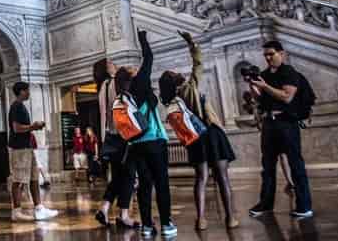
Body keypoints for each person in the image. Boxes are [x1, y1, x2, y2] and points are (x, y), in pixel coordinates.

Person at [158, 31, 239, 230]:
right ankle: (230, 218)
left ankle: (201, 219)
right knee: (222, 178)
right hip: (211, 133)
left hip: (194, 139)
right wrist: (191, 44)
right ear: (176, 79)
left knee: (201, 179)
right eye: (174, 72)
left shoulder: (169, 100)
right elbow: (199, 63)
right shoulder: (190, 86)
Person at [115, 30, 177, 238]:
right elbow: (149, 57)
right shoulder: (140, 83)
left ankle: (148, 226)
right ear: (131, 76)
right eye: (131, 69)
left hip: (136, 144)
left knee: (144, 184)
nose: (135, 68)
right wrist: (141, 38)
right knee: (161, 183)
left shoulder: (122, 95)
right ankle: (167, 224)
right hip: (154, 141)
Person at [248, 41, 313, 218]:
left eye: (271, 54)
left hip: (286, 122)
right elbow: (261, 99)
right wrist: (252, 86)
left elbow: (287, 97)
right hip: (269, 123)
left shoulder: (289, 72)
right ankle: (266, 204)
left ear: (281, 54)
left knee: (295, 164)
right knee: (267, 167)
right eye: (266, 55)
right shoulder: (264, 75)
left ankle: (304, 206)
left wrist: (265, 87)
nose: (268, 58)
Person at [94, 58, 138, 228]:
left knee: (118, 176)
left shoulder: (101, 87)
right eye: (111, 62)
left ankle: (104, 208)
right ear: (107, 68)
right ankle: (123, 215)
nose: (114, 63)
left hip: (110, 137)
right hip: (124, 136)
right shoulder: (116, 82)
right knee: (128, 175)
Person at [8, 81, 59, 222]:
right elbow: (16, 128)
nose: (29, 93)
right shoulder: (16, 107)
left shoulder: (21, 106)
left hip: (27, 147)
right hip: (20, 149)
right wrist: (33, 126)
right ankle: (16, 211)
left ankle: (39, 209)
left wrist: (33, 127)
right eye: (27, 90)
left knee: (34, 178)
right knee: (18, 180)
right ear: (21, 91)